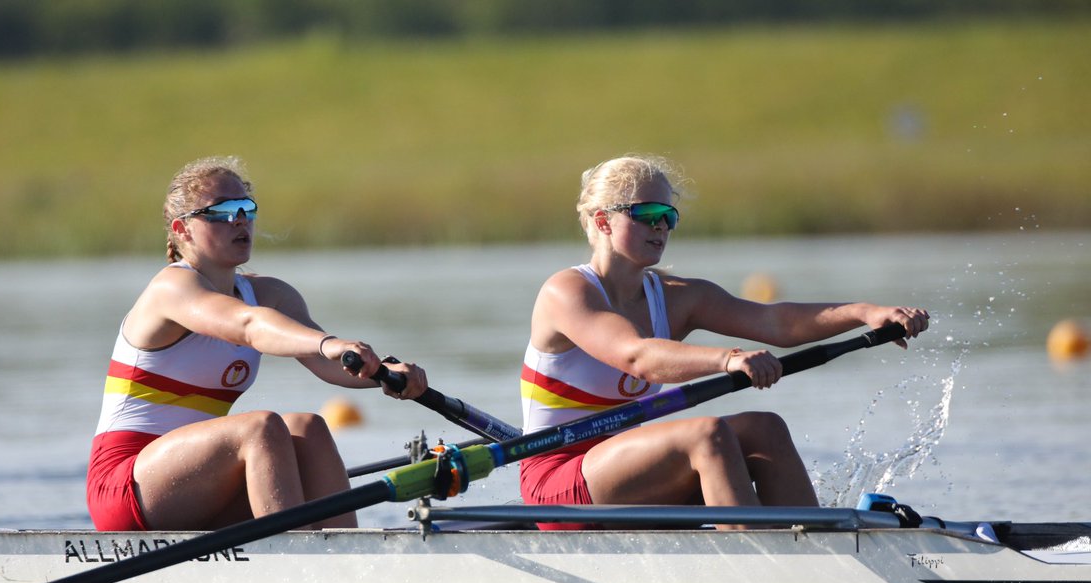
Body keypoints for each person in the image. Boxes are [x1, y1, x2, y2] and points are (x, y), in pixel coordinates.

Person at [519, 154, 930, 529]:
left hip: (626, 471)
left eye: (668, 215)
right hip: (557, 482)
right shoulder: (567, 292)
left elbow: (776, 322)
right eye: (646, 214)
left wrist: (864, 313)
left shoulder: (680, 297)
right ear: (604, 221)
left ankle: (820, 547)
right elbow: (637, 356)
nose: (660, 226)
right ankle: (754, 567)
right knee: (706, 434)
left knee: (764, 428)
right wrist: (728, 359)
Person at [87, 155, 427, 532]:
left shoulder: (270, 294)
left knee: (307, 427)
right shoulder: (171, 289)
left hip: (198, 482)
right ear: (182, 230)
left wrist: (384, 374)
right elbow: (249, 326)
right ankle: (295, 560)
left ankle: (348, 559)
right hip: (126, 485)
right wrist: (329, 342)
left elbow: (331, 365)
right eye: (221, 212)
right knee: (259, 427)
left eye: (246, 208)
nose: (239, 220)